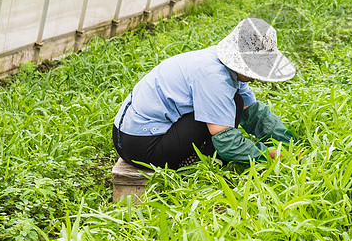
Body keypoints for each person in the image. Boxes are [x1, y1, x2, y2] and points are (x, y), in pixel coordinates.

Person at [113, 17, 297, 170]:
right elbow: (226, 141)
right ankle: (199, 161)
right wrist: (268, 156)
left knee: (236, 103)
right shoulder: (213, 77)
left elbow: (254, 112)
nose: (257, 77)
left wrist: (287, 143)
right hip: (142, 146)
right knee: (225, 111)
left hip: (128, 135)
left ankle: (202, 155)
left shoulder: (220, 64)